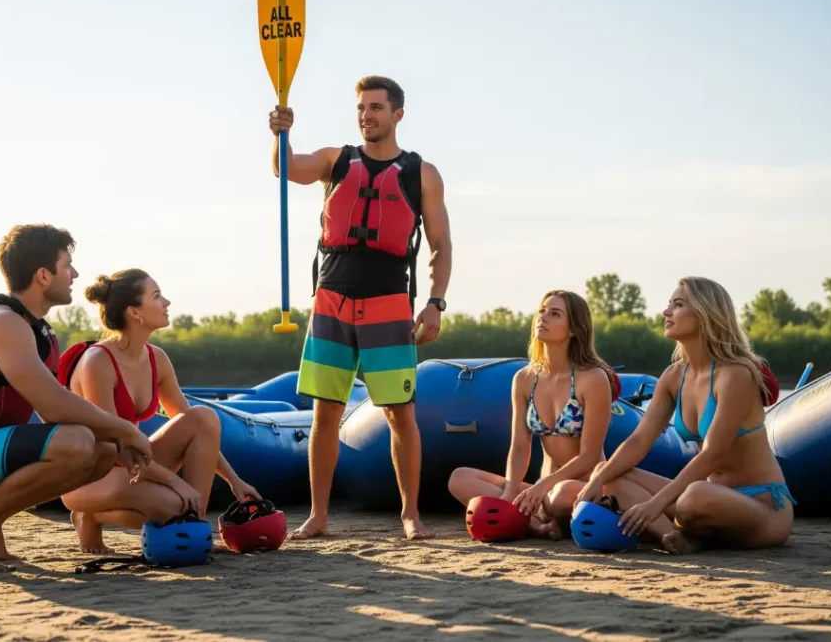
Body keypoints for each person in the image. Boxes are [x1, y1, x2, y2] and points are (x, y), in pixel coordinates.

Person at [0, 224, 153, 574]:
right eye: (68, 265)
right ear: (44, 275)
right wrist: (127, 429)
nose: (75, 274)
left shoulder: (33, 328)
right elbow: (53, 407)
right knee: (78, 442)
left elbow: (52, 413)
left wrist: (114, 438)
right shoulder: (2, 322)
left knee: (101, 451)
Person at [267, 75, 453, 540]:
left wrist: (434, 303)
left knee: (400, 413)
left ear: (397, 115)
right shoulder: (336, 161)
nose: (367, 116)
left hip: (390, 301)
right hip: (332, 298)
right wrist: (279, 134)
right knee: (325, 411)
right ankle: (319, 516)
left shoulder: (421, 173)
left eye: (376, 107)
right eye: (362, 108)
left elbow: (441, 245)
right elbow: (285, 168)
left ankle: (410, 515)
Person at [576, 276, 796, 554]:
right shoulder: (673, 376)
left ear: (706, 314)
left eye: (677, 305)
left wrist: (654, 503)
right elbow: (639, 440)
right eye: (669, 304)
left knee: (694, 495)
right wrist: (596, 482)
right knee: (608, 474)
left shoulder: (736, 374)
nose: (666, 312)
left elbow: (713, 453)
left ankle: (674, 526)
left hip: (760, 506)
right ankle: (673, 536)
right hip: (707, 498)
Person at [57, 268, 261, 554]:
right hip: (93, 474)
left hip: (134, 465)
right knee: (176, 503)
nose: (166, 302)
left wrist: (234, 481)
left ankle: (193, 528)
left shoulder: (158, 359)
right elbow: (116, 445)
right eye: (156, 296)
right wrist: (177, 484)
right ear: (134, 312)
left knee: (203, 417)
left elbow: (196, 429)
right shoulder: (97, 362)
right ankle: (89, 515)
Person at [448, 290, 618, 538]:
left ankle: (535, 519)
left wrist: (542, 487)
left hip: (579, 489)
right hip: (543, 493)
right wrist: (510, 492)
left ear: (573, 329)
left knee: (559, 495)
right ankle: (540, 526)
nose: (543, 318)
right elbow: (519, 447)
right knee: (459, 478)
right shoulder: (525, 379)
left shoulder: (592, 378)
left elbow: (591, 456)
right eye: (542, 311)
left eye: (555, 314)